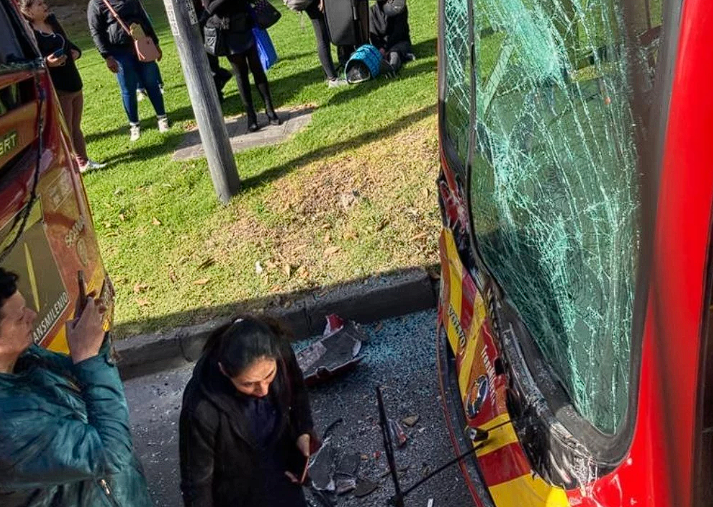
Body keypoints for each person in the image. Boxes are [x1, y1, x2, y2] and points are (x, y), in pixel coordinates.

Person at [0, 268, 152, 506]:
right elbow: (110, 453)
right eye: (19, 318)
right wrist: (88, 357)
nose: (33, 314)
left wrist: (91, 340)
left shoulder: (26, 358)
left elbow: (85, 376)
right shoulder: (9, 428)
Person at [180, 316, 318, 507]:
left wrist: (303, 430)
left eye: (269, 375)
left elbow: (297, 389)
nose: (263, 390)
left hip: (282, 480)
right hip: (237, 495)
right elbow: (196, 482)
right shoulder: (202, 408)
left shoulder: (279, 350)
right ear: (225, 371)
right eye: (249, 384)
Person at [20, 0, 106, 173]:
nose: (44, 6)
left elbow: (67, 43)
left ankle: (83, 161)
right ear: (28, 10)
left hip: (74, 81)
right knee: (66, 129)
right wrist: (47, 63)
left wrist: (77, 51)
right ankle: (71, 165)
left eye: (44, 2)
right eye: (38, 4)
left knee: (75, 127)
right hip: (58, 88)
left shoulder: (52, 21)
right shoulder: (29, 34)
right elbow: (28, 61)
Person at [88, 0, 169, 142]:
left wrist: (155, 42)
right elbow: (96, 31)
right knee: (128, 89)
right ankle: (134, 126)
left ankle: (162, 118)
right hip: (119, 52)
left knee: (151, 83)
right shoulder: (96, 3)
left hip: (142, 44)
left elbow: (143, 18)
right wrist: (106, 55)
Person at [201, 0, 281, 132]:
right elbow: (209, 8)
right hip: (227, 31)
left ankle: (270, 109)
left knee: (257, 69)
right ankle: (251, 116)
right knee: (241, 74)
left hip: (245, 24)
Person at [305, 0, 347, 87]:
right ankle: (332, 79)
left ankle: (329, 75)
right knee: (323, 38)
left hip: (309, 4)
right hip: (314, 3)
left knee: (323, 37)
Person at [369, 0, 414, 75]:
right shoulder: (372, 12)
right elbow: (373, 35)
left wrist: (387, 49)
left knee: (394, 52)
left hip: (399, 42)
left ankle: (392, 67)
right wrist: (380, 48)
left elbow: (399, 32)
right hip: (381, 48)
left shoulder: (399, 7)